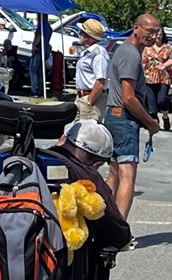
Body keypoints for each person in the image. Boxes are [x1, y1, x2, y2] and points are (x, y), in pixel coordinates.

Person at [104, 14, 162, 221]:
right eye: (149, 31)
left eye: (156, 32)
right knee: (127, 174)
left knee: (114, 173)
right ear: (135, 28)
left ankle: (105, 223)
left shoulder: (126, 50)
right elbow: (128, 97)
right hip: (123, 117)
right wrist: (150, 122)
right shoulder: (131, 54)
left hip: (114, 114)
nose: (153, 36)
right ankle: (119, 229)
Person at [48, 120, 133, 251]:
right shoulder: (88, 175)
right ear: (97, 162)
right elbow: (116, 230)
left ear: (63, 139)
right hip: (59, 255)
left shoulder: (31, 160)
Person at [73, 18, 110, 121]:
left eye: (82, 32)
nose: (79, 34)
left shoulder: (98, 55)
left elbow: (100, 81)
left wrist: (89, 101)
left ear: (88, 36)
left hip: (91, 98)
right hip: (83, 97)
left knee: (87, 132)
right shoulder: (88, 53)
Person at [142, 25, 172, 131]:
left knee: (161, 100)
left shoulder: (168, 47)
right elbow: (143, 62)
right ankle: (154, 121)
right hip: (149, 77)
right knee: (151, 102)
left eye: (160, 34)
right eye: (156, 35)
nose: (158, 37)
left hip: (163, 77)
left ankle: (165, 116)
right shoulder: (147, 48)